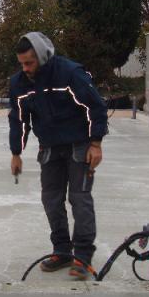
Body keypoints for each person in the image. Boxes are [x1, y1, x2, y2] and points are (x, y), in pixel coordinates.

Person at [8, 32, 108, 280]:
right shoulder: (21, 83)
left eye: (29, 62)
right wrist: (16, 153)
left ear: (42, 57)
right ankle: (62, 251)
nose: (25, 68)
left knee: (79, 198)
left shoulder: (69, 74)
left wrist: (95, 144)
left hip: (79, 146)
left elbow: (96, 107)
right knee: (51, 200)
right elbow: (18, 120)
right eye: (21, 63)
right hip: (50, 147)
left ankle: (82, 256)